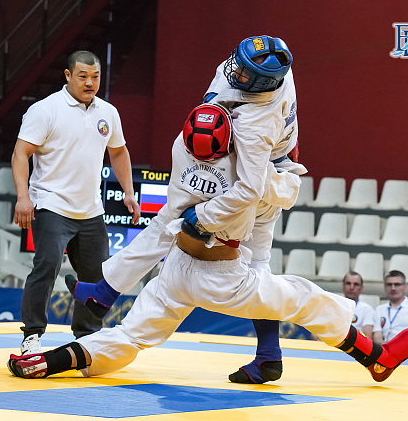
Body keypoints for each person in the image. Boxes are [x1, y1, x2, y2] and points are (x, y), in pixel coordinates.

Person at [8, 103, 408, 384]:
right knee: (305, 297)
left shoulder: (185, 149)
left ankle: (49, 359)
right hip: (221, 279)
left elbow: (222, 103)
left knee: (130, 337)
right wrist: (284, 157)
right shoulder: (259, 180)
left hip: (175, 271)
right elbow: (280, 197)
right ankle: (375, 358)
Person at [54, 36, 304, 384]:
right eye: (239, 63)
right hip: (271, 175)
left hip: (260, 183)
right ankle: (269, 354)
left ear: (261, 84)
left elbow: (249, 188)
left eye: (245, 74)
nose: (236, 71)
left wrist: (205, 216)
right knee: (256, 262)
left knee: (170, 223)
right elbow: (219, 92)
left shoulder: (256, 124)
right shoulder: (274, 71)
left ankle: (104, 293)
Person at [10, 50, 140, 355]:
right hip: (51, 204)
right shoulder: (46, 110)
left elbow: (118, 152)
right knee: (47, 266)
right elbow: (20, 153)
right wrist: (23, 197)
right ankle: (32, 335)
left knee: (97, 276)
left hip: (91, 209)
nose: (90, 83)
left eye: (95, 76)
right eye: (83, 76)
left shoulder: (108, 112)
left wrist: (129, 192)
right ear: (68, 76)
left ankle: (86, 336)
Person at [373, 270, 408, 344]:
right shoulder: (379, 309)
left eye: (397, 284)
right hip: (386, 348)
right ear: (385, 287)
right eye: (389, 284)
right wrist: (389, 348)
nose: (393, 288)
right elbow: (377, 337)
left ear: (405, 287)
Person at [342, 271, 375, 336]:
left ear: (361, 288)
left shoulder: (367, 309)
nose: (351, 287)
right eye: (348, 283)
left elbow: (367, 337)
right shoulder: (334, 306)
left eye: (356, 284)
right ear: (343, 286)